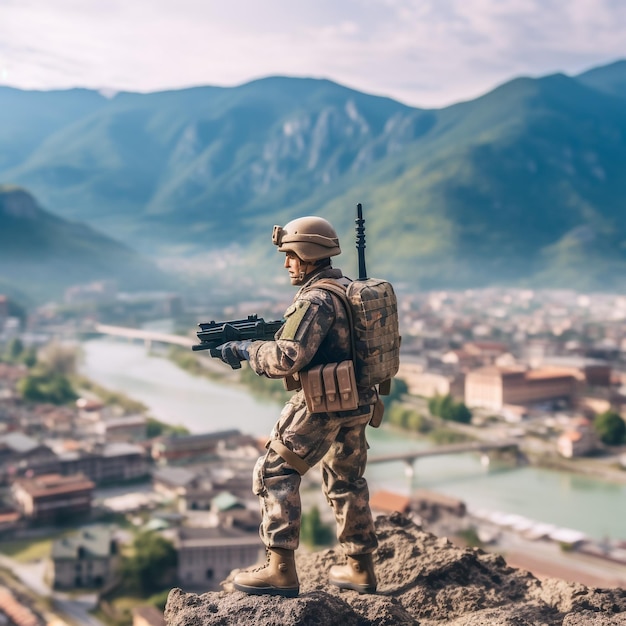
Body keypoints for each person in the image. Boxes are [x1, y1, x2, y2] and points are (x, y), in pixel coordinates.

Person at [217, 216, 379, 598]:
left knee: (274, 470)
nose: (287, 263)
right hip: (360, 398)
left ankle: (280, 570)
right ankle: (360, 568)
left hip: (326, 401)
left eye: (290, 255)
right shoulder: (346, 287)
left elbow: (288, 357)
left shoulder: (317, 298)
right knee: (346, 479)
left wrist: (246, 350)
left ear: (308, 254)